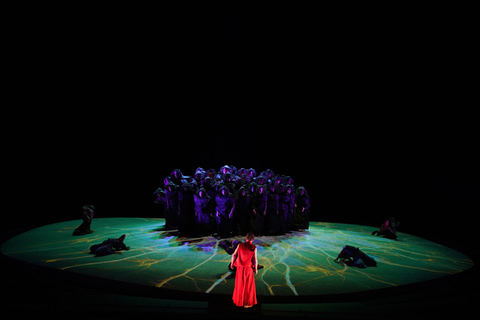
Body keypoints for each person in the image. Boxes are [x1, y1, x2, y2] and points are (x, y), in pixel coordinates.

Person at [231, 232, 258, 308]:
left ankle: (239, 301)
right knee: (248, 286)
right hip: (248, 269)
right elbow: (255, 260)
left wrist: (232, 263)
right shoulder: (254, 248)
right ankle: (247, 302)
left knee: (240, 284)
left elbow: (234, 255)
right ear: (253, 239)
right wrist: (256, 269)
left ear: (246, 238)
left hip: (240, 268)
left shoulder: (240, 245)